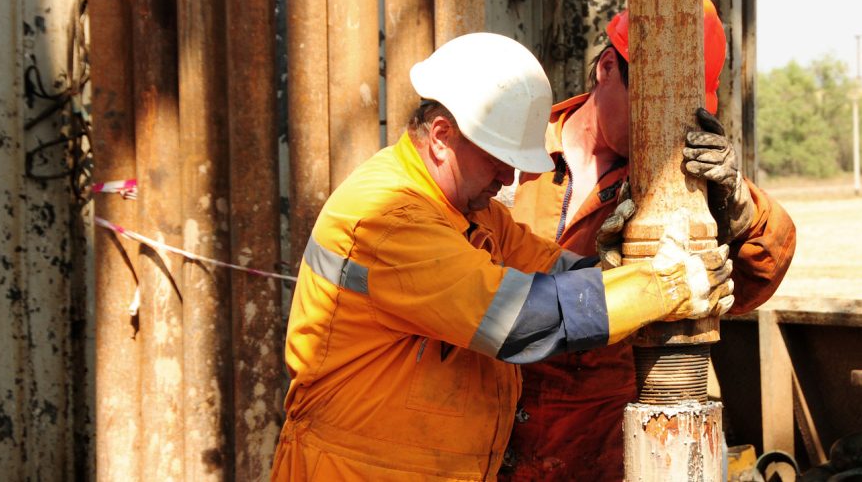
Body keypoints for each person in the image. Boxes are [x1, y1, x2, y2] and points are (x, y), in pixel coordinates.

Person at [270, 32, 737, 481]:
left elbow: (553, 271)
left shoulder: (472, 214)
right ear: (440, 136)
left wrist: (616, 267)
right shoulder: (390, 217)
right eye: (498, 156)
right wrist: (668, 287)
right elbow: (516, 318)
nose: (510, 174)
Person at [504, 0, 798, 481]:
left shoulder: (669, 181)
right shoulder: (510, 154)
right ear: (606, 69)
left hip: (596, 447)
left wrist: (739, 203)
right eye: (651, 103)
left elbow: (762, 270)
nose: (657, 126)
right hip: (492, 430)